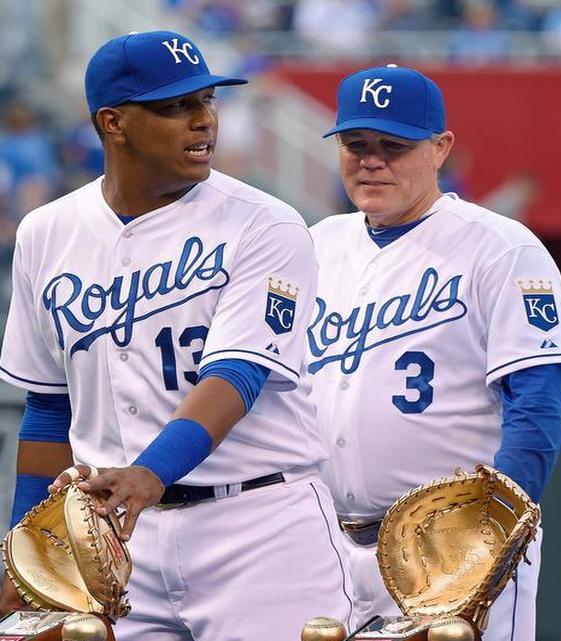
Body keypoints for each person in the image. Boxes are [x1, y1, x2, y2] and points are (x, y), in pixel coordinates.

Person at [0, 30, 353, 639]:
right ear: (114, 122)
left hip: (259, 528)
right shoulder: (46, 232)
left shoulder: (265, 223)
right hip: (113, 537)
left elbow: (238, 374)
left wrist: (152, 470)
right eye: (175, 107)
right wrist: (25, 544)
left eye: (208, 101)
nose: (202, 121)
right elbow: (48, 407)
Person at [306, 64, 561, 635]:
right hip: (325, 546)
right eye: (356, 144)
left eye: (393, 145)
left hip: (452, 544)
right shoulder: (317, 243)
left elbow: (541, 404)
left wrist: (490, 531)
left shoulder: (500, 246)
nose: (371, 160)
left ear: (440, 149)